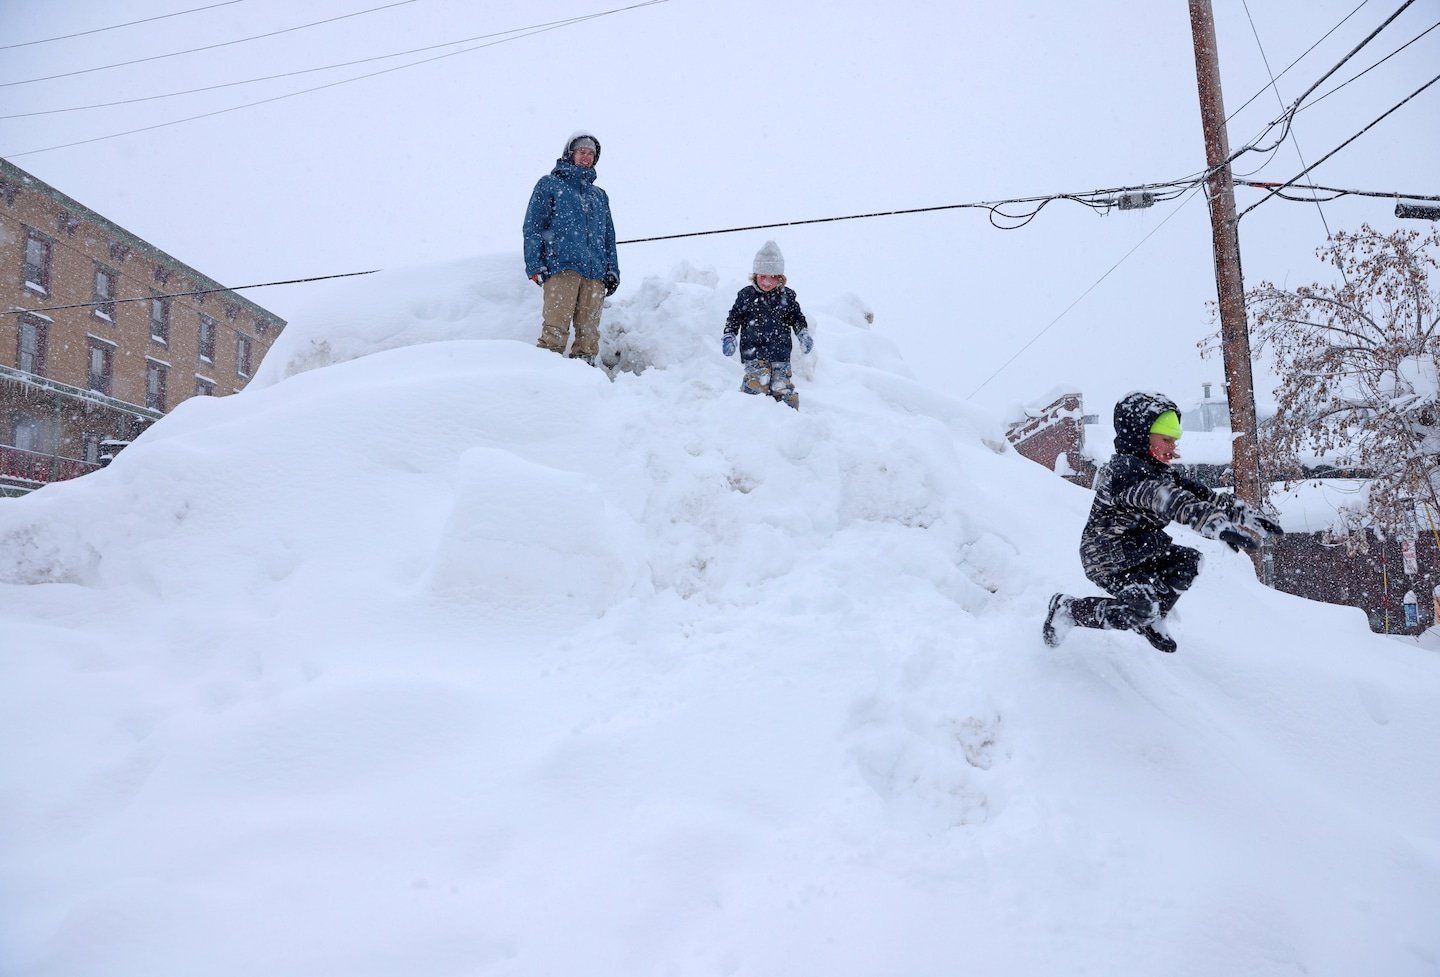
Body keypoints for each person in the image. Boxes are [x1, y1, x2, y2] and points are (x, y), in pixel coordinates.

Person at [1042, 390, 1283, 653]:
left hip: (1142, 552)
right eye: (1166, 439)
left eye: (1175, 441)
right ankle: (1068, 610)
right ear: (1140, 437)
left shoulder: (1161, 472)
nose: (1173, 448)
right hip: (1107, 560)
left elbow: (1202, 496)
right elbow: (1167, 499)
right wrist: (1213, 523)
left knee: (1188, 562)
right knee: (1140, 608)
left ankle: (1154, 619)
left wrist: (1245, 514)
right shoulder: (1125, 473)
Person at [522, 130, 619, 366]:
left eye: (591, 154)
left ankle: (585, 380)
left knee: (588, 335)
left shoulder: (599, 196)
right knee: (554, 330)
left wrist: (612, 270)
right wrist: (535, 264)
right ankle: (546, 378)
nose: (586, 157)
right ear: (570, 154)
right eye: (581, 152)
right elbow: (533, 226)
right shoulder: (550, 184)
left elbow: (609, 238)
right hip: (561, 268)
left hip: (595, 274)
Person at [722, 241, 813, 409]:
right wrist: (729, 335)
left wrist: (803, 333)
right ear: (755, 274)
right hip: (754, 354)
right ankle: (749, 418)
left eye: (772, 277)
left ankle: (790, 420)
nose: (766, 282)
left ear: (780, 277)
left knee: (783, 390)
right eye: (762, 276)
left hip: (780, 354)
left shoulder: (787, 297)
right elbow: (734, 318)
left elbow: (797, 318)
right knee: (755, 388)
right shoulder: (746, 296)